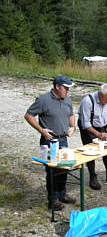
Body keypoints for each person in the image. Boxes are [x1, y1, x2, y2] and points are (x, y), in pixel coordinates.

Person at [24, 75, 77, 211]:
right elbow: (29, 115)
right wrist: (41, 130)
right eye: (65, 88)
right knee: (52, 171)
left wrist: (73, 126)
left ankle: (62, 194)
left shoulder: (67, 100)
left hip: (63, 139)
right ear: (57, 87)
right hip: (49, 140)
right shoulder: (43, 100)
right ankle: (53, 200)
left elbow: (71, 114)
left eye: (68, 88)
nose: (67, 91)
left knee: (64, 168)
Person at [78, 84, 107, 190]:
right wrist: (98, 135)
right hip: (89, 128)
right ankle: (92, 176)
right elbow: (85, 123)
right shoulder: (87, 101)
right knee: (90, 152)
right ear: (101, 94)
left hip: (102, 126)